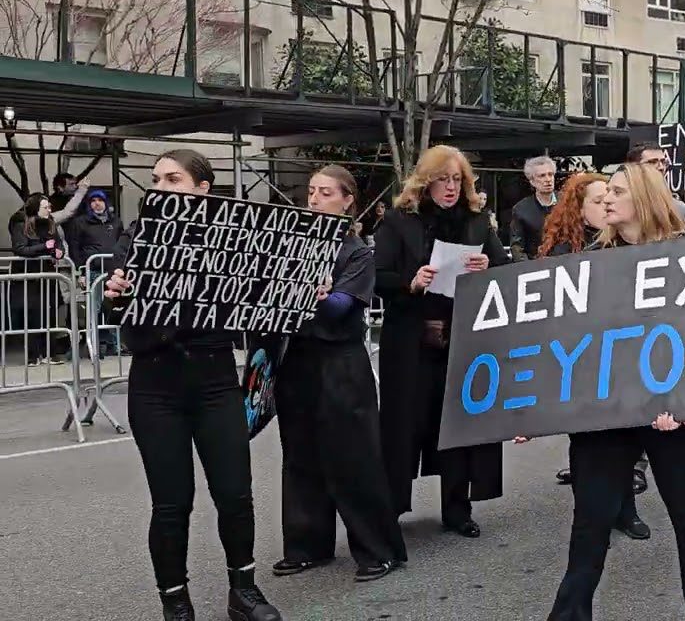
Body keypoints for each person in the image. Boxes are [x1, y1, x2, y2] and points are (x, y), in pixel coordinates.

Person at [546, 162, 685, 621]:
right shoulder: (590, 261)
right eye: (605, 192)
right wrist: (530, 407)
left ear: (645, 199)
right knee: (590, 525)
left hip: (673, 416)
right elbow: (569, 343)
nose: (606, 198)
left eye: (617, 191)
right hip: (605, 415)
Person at [102, 150, 281, 621]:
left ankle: (244, 591)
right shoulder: (135, 237)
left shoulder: (231, 241)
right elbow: (114, 310)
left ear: (202, 188)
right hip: (155, 385)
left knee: (235, 494)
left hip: (215, 381)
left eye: (173, 178)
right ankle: (175, 602)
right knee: (171, 503)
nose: (159, 186)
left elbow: (261, 301)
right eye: (155, 179)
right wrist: (114, 296)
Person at [271, 165, 407, 583]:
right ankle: (307, 545)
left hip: (340, 361)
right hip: (298, 357)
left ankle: (377, 549)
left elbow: (340, 307)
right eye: (311, 191)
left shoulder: (356, 252)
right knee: (300, 455)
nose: (314, 199)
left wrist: (316, 294)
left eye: (326, 193)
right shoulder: (290, 245)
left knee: (353, 458)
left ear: (348, 201)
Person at [376, 144, 508, 536]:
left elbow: (505, 269)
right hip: (410, 340)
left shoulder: (477, 221)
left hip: (462, 339)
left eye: (456, 180)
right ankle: (390, 508)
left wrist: (488, 265)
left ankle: (457, 508)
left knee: (458, 423)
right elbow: (377, 275)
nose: (450, 187)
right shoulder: (399, 220)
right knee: (405, 424)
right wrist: (411, 281)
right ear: (425, 181)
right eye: (442, 180)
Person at [537, 172, 652, 542]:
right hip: (586, 370)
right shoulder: (566, 253)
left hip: (623, 364)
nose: (606, 204)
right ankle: (591, 516)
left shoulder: (626, 245)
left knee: (625, 439)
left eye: (612, 196)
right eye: (598, 200)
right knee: (589, 448)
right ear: (579, 208)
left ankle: (626, 510)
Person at [11, 193, 72, 366]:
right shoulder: (20, 223)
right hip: (29, 277)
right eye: (45, 207)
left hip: (48, 275)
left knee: (49, 314)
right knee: (31, 317)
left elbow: (58, 244)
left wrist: (58, 252)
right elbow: (20, 248)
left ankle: (49, 353)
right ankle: (32, 355)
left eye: (49, 207)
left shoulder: (50, 223)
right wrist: (43, 247)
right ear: (35, 209)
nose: (49, 210)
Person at [68, 188, 124, 357]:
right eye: (93, 201)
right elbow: (75, 248)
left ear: (106, 202)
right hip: (92, 270)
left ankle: (115, 344)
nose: (96, 203)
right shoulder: (80, 223)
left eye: (100, 200)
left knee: (114, 307)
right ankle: (95, 344)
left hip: (112, 270)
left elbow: (121, 244)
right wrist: (81, 272)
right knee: (95, 309)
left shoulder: (116, 222)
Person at [625, 143, 685, 223]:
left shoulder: (679, 209)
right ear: (633, 167)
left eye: (663, 162)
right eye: (652, 162)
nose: (661, 167)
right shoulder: (619, 203)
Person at [509, 156, 558, 261]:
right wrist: (528, 267)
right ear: (532, 181)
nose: (548, 179)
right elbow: (517, 247)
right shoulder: (521, 209)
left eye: (550, 174)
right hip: (535, 265)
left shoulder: (567, 202)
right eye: (542, 176)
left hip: (566, 264)